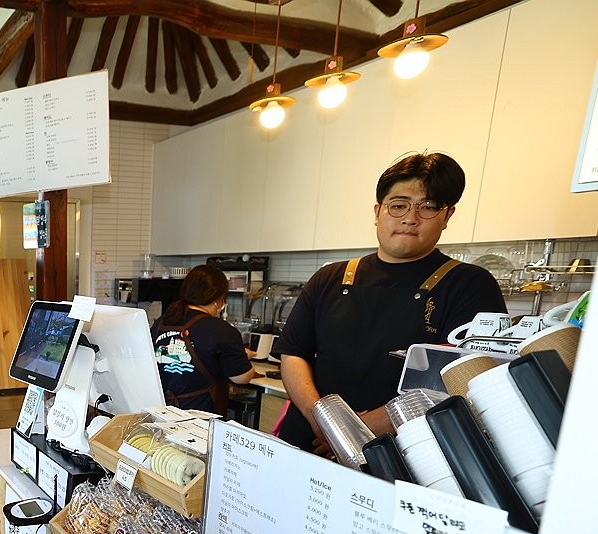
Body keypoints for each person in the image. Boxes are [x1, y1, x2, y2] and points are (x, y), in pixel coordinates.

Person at [276, 152, 507, 455]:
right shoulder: (329, 277)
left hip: (402, 451)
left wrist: (365, 427)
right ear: (378, 211)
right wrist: (320, 417)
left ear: (447, 216)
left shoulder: (470, 285)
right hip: (307, 439)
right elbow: (294, 353)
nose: (410, 218)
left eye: (428, 207)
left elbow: (465, 377)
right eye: (398, 205)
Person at [151, 265, 255, 414]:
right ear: (218, 300)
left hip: (160, 412)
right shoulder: (221, 330)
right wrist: (244, 356)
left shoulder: (161, 322)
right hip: (200, 418)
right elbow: (242, 377)